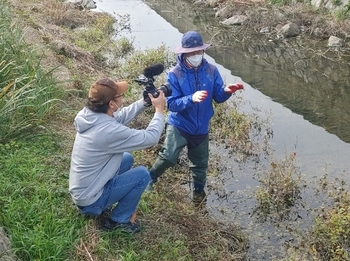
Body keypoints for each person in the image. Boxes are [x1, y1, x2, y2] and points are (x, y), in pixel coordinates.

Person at [149, 31, 244, 201]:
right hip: (180, 125)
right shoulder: (175, 74)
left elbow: (218, 97)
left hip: (201, 128)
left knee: (200, 165)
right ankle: (149, 179)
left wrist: (228, 91)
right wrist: (190, 99)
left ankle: (198, 194)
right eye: (192, 52)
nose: (196, 55)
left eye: (199, 51)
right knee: (168, 157)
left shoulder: (212, 70)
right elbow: (171, 104)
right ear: (184, 53)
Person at [69, 78, 166, 234]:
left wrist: (144, 102)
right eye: (119, 96)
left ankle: (110, 199)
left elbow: (119, 117)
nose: (122, 97)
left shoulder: (89, 114)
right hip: (90, 201)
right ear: (111, 105)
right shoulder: (108, 132)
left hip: (83, 190)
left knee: (127, 158)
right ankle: (119, 221)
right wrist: (159, 110)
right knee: (142, 175)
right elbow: (150, 138)